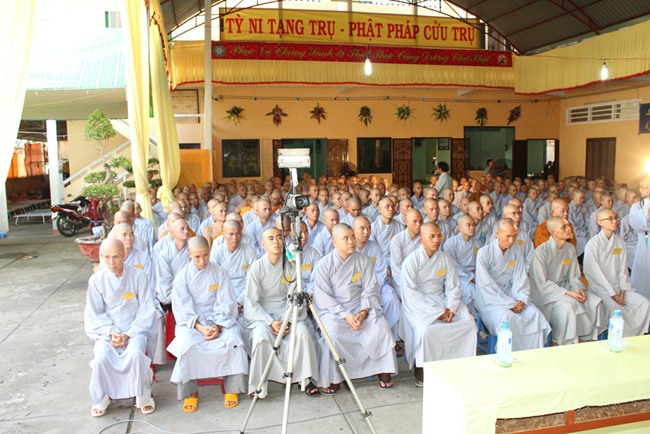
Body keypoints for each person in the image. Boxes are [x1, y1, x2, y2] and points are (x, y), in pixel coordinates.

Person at [167, 236, 249, 412]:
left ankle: (232, 388)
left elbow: (227, 302)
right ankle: (191, 392)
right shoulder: (182, 277)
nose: (202, 261)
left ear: (210, 252)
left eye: (205, 255)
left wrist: (218, 326)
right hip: (192, 322)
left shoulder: (219, 272)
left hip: (218, 319)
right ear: (189, 254)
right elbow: (182, 308)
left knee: (234, 341)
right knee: (186, 346)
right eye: (197, 256)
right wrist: (200, 327)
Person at [313, 224, 397, 393]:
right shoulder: (324, 264)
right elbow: (323, 296)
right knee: (333, 333)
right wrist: (346, 315)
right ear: (334, 242)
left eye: (352, 236)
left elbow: (370, 289)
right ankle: (334, 377)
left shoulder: (363, 260)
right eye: (345, 238)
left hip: (360, 306)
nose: (351, 241)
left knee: (379, 326)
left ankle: (383, 370)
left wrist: (363, 312)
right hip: (334, 311)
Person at [243, 228, 320, 398]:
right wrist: (270, 322)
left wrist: (288, 321)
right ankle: (259, 384)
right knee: (261, 338)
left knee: (303, 333)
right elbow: (251, 302)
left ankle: (305, 379)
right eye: (270, 238)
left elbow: (296, 296)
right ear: (263, 245)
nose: (276, 242)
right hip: (264, 316)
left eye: (279, 237)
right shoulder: (256, 268)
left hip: (288, 312)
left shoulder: (291, 265)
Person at [85, 239, 156, 417]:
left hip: (134, 330)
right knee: (101, 357)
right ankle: (102, 398)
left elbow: (146, 309)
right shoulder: (96, 280)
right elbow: (94, 313)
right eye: (107, 257)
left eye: (116, 257)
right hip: (107, 332)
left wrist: (128, 334)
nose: (111, 262)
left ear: (124, 255)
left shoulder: (138, 276)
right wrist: (111, 332)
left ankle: (143, 397)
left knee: (136, 354)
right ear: (102, 257)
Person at [401, 222, 477, 386]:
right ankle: (422, 369)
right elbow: (410, 292)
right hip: (419, 304)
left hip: (442, 300)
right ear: (422, 239)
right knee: (426, 330)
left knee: (469, 323)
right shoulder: (411, 261)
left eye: (439, 236)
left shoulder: (445, 259)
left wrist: (451, 308)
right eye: (432, 236)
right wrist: (437, 312)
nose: (437, 240)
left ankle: (460, 365)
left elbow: (453, 287)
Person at [475, 219, 551, 350]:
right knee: (506, 318)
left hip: (512, 293)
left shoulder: (516, 250)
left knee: (535, 314)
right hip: (490, 300)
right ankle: (507, 355)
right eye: (508, 236)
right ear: (497, 233)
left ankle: (531, 354)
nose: (511, 241)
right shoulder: (484, 253)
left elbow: (520, 278)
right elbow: (485, 285)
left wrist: (521, 299)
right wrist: (510, 304)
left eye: (514, 236)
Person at [529, 217, 605, 345]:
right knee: (569, 306)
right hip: (548, 296)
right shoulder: (540, 252)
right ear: (553, 232)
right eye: (563, 227)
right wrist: (567, 293)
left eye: (568, 225)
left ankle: (584, 341)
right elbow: (541, 283)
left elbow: (574, 276)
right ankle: (558, 343)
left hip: (568, 289)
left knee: (594, 302)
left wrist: (579, 289)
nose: (569, 229)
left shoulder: (570, 248)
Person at [584, 208, 650, 336]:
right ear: (600, 222)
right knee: (614, 308)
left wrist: (623, 290)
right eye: (610, 219)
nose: (615, 221)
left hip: (620, 287)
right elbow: (594, 273)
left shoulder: (620, 242)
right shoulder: (593, 244)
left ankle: (638, 337)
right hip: (601, 288)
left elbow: (623, 270)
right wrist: (612, 294)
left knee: (645, 304)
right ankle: (619, 339)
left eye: (615, 218)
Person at [210, 220, 258, 305]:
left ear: (241, 234)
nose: (235, 238)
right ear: (224, 234)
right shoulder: (216, 253)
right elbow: (214, 279)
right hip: (223, 291)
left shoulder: (250, 251)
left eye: (238, 233)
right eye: (231, 234)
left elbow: (252, 279)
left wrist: (241, 301)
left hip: (245, 290)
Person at [443, 215, 481, 317]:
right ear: (459, 228)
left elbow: (480, 263)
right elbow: (452, 265)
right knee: (470, 290)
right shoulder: (450, 243)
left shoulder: (478, 243)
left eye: (473, 225)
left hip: (474, 274)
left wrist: (477, 274)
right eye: (468, 225)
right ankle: (470, 317)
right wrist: (470, 277)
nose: (472, 227)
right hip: (458, 275)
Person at [389, 209, 423, 298]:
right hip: (401, 280)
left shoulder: (423, 238)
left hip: (421, 279)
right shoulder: (397, 240)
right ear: (406, 222)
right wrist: (409, 284)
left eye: (420, 221)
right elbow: (397, 267)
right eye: (415, 221)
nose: (418, 224)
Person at [630, 179, 650, 298]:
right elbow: (637, 224)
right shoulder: (637, 206)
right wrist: (647, 204)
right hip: (645, 240)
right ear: (641, 189)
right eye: (647, 187)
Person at [370, 197, 405, 263]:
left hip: (396, 259)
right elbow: (372, 249)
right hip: (379, 260)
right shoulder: (373, 227)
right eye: (387, 207)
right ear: (379, 210)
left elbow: (403, 247)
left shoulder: (401, 227)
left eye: (392, 206)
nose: (391, 209)